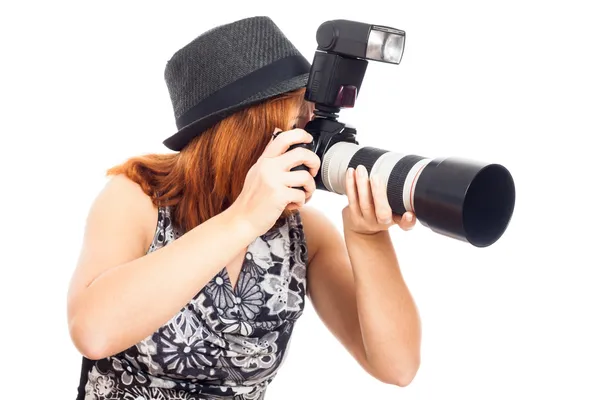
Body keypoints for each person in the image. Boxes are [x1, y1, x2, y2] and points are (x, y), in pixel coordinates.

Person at [67, 16, 421, 400]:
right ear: (237, 134)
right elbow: (93, 333)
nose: (307, 146)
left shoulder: (305, 235)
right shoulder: (138, 197)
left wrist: (368, 238)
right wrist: (244, 218)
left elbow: (397, 367)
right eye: (294, 127)